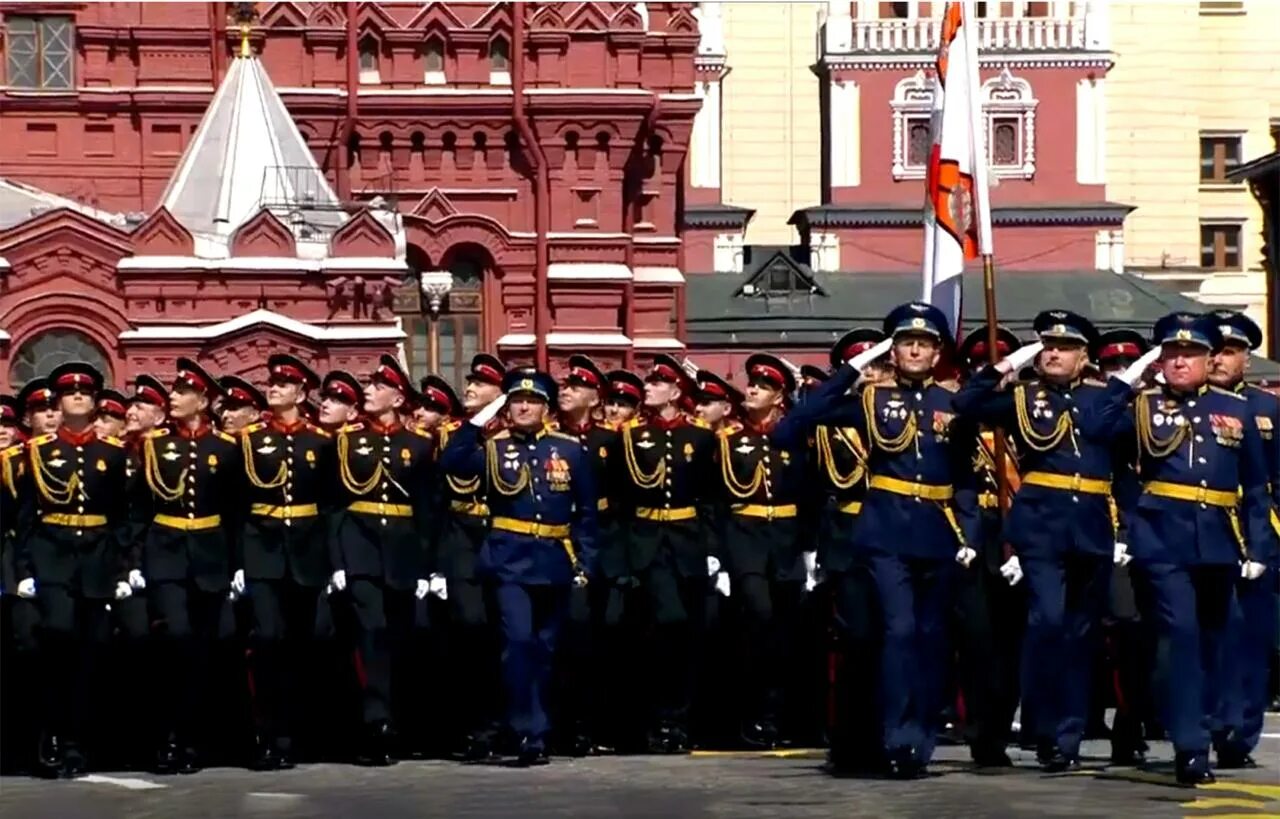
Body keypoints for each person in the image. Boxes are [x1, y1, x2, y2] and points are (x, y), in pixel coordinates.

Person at [780, 302, 979, 778]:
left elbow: (967, 476)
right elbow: (794, 426)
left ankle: (920, 738)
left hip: (939, 533)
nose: (914, 349)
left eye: (924, 343)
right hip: (886, 531)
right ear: (893, 352)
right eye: (904, 342)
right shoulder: (870, 400)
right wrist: (853, 369)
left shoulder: (952, 404)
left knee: (931, 640)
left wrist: (968, 532)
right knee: (899, 632)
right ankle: (895, 738)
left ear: (937, 355)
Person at [1080, 312, 1273, 785]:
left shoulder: (1239, 410)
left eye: (1189, 355)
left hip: (1220, 542)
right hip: (1161, 541)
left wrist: (1258, 549)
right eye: (1171, 354)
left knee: (1217, 641)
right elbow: (1092, 427)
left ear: (1210, 360)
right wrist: (1128, 380)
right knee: (1181, 635)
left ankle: (1217, 725)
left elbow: (1256, 485)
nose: (1179, 363)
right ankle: (1190, 745)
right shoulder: (1141, 406)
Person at [954, 312, 1123, 771]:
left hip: (1090, 524)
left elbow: (1128, 462)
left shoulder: (1104, 398)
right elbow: (966, 404)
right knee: (1046, 623)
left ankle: (1064, 738)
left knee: (1079, 635)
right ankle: (1043, 728)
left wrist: (1124, 530)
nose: (1052, 353)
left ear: (1084, 357)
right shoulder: (1024, 397)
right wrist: (1006, 365)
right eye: (1046, 345)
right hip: (1040, 526)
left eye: (1063, 347)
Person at [440, 369, 599, 766]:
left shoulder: (570, 450)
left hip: (555, 561)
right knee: (517, 643)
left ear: (545, 408)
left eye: (531, 401)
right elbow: (452, 462)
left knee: (545, 649)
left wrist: (586, 562)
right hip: (508, 561)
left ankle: (538, 724)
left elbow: (588, 513)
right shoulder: (493, 448)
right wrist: (477, 421)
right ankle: (528, 730)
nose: (523, 407)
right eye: (515, 401)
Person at [13, 361, 129, 778]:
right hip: (52, 555)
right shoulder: (38, 451)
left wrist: (122, 567)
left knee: (90, 650)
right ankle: (52, 732)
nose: (77, 397)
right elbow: (25, 514)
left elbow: (120, 516)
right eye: (69, 394)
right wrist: (23, 567)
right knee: (57, 640)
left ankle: (79, 740)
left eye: (84, 393)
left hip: (97, 559)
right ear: (59, 405)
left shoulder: (113, 454)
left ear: (95, 402)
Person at [134, 358, 244, 774]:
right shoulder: (154, 445)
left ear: (203, 400)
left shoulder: (226, 449)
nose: (173, 398)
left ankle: (191, 738)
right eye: (174, 391)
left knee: (202, 648)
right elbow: (140, 506)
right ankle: (167, 735)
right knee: (176, 636)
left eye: (182, 393)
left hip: (211, 554)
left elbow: (235, 511)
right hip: (166, 551)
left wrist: (236, 565)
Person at [327, 354, 436, 766]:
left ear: (397, 396)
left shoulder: (419, 445)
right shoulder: (346, 441)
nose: (368, 392)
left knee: (404, 637)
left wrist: (428, 567)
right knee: (370, 633)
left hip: (404, 551)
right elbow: (335, 506)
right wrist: (338, 560)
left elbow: (427, 510)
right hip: (360, 547)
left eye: (377, 386)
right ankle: (377, 723)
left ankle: (404, 722)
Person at [612, 354, 718, 753]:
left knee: (688, 633)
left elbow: (711, 497)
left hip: (688, 542)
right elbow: (622, 499)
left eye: (658, 383)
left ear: (676, 391)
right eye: (649, 382)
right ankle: (657, 719)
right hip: (648, 542)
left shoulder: (701, 437)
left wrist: (712, 550)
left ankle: (678, 720)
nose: (649, 388)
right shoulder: (630, 436)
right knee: (666, 623)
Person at [238, 354, 334, 770]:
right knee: (267, 640)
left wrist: (334, 561)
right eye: (271, 383)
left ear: (301, 392)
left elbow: (330, 504)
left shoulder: (320, 442)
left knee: (301, 644)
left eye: (283, 384)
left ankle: (295, 734)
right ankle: (266, 733)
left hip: (307, 553)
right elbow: (235, 502)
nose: (273, 389)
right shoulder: (248, 440)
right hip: (262, 550)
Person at [717, 353, 810, 748]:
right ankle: (750, 714)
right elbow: (715, 500)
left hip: (786, 540)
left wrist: (810, 548)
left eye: (764, 386)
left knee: (783, 632)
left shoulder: (794, 439)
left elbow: (811, 494)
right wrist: (718, 555)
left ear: (780, 397)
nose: (752, 390)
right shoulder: (728, 441)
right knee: (757, 616)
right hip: (746, 538)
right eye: (752, 384)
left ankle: (776, 716)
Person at [949, 325, 1026, 767]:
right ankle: (980, 730)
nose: (993, 374)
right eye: (979, 365)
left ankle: (1000, 726)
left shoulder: (1027, 415)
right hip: (972, 534)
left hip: (1018, 531)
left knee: (1013, 640)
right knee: (977, 639)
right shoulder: (961, 417)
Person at [1207, 310, 1279, 769]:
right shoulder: (1179, 403)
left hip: (1259, 535)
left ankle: (1241, 734)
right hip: (1204, 530)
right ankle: (1208, 722)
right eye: (1213, 350)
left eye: (1230, 352)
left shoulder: (1267, 407)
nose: (1218, 359)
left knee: (1254, 638)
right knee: (1209, 633)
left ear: (1246, 361)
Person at [812, 330, 883, 774]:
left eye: (878, 366)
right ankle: (849, 741)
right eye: (863, 367)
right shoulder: (835, 417)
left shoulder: (901, 413)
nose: (872, 375)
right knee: (857, 643)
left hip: (900, 534)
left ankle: (890, 736)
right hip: (848, 539)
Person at [434, 354, 507, 761]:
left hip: (502, 539)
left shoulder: (515, 435)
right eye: (470, 381)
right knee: (471, 629)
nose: (469, 388)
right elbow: (440, 492)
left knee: (507, 633)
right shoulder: (453, 435)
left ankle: (505, 724)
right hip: (461, 541)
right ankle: (478, 727)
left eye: (481, 383)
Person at [553, 355, 622, 755]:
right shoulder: (546, 439)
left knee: (601, 638)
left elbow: (624, 501)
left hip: (602, 546)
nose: (566, 391)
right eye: (565, 386)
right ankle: (567, 725)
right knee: (565, 638)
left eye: (576, 387)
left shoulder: (610, 442)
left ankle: (595, 725)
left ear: (595, 398)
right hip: (559, 542)